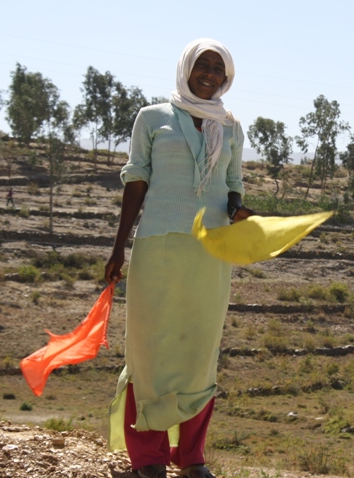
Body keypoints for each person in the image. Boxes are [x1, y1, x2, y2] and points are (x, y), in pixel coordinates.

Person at [104, 39, 253, 478]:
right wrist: (118, 247)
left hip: (210, 252)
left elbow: (232, 182)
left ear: (227, 78)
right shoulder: (153, 118)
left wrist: (237, 208)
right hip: (159, 246)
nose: (209, 73)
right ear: (186, 68)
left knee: (200, 353)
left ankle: (192, 458)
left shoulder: (230, 125)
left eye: (217, 68)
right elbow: (136, 181)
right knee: (150, 352)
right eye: (201, 65)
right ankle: (148, 458)